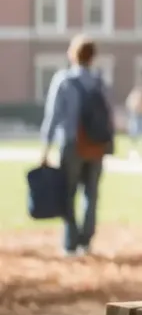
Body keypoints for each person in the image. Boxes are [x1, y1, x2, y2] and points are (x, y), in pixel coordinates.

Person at [39, 34, 115, 256]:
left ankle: (70, 242)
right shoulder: (99, 81)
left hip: (72, 144)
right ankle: (86, 240)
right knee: (91, 194)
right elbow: (108, 114)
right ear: (93, 56)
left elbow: (53, 116)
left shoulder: (64, 80)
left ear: (72, 54)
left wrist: (45, 148)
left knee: (69, 193)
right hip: (96, 145)